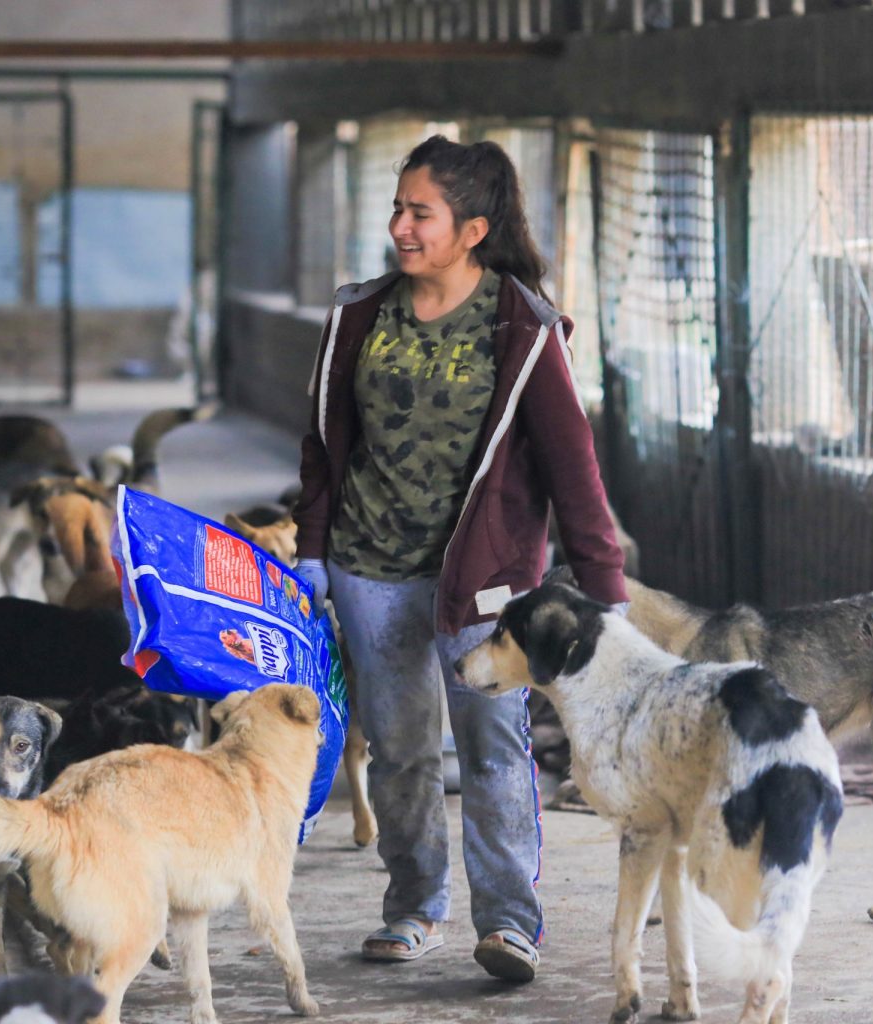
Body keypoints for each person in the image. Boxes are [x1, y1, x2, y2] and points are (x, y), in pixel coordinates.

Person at [293, 135, 628, 983]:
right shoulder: (359, 315)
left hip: (485, 583)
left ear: (473, 229)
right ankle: (413, 907)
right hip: (370, 570)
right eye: (398, 209)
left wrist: (605, 593)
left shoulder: (522, 329)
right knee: (401, 750)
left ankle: (510, 924)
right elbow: (324, 447)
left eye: (420, 213)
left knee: (493, 747)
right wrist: (311, 547)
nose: (401, 226)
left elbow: (573, 467)